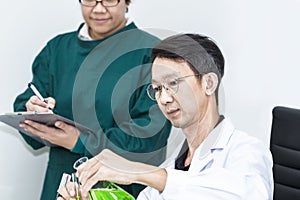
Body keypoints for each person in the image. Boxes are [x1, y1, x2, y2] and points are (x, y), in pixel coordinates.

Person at [57, 33, 274, 200]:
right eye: (157, 89)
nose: (164, 98)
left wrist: (135, 171)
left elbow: (248, 195)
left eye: (173, 83)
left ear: (208, 83)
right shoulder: (173, 164)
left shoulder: (246, 150)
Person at [14, 0, 171, 199]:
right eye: (89, 0)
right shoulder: (57, 49)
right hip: (61, 184)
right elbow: (28, 104)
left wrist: (81, 141)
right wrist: (33, 110)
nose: (98, 8)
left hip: (123, 188)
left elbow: (150, 135)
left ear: (127, 2)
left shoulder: (150, 52)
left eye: (109, 0)